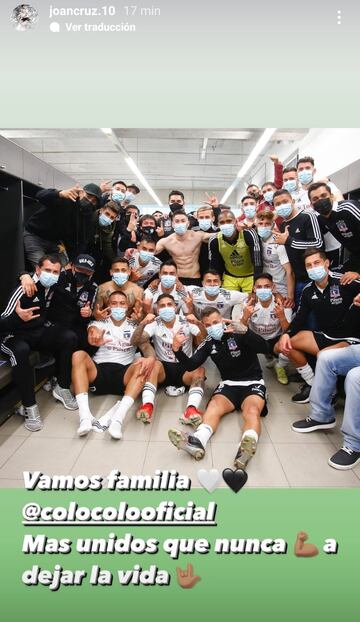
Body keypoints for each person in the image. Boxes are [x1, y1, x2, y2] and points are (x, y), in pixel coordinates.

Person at [167, 307, 269, 469]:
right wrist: (177, 349)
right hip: (228, 384)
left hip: (252, 382)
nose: (212, 327)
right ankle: (197, 441)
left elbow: (266, 348)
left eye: (215, 322)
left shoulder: (239, 333)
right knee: (213, 407)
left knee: (251, 411)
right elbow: (191, 364)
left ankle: (245, 448)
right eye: (207, 325)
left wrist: (247, 331)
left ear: (223, 320)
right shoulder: (208, 342)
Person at [0, 255, 78, 431]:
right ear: (37, 270)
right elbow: (3, 321)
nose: (51, 274)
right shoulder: (23, 288)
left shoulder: (51, 286)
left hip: (37, 332)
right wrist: (16, 317)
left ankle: (62, 387)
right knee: (21, 350)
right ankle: (29, 407)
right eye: (47, 270)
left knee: (69, 337)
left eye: (55, 272)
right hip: (13, 335)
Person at [275, 249, 360, 404]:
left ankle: (327, 394)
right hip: (327, 335)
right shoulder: (308, 290)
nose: (313, 268)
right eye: (309, 265)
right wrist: (286, 333)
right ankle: (314, 384)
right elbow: (299, 318)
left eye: (317, 263)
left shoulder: (344, 281)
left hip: (350, 339)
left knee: (324, 356)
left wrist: (358, 275)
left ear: (326, 263)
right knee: (287, 343)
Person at [71, 290, 150, 439]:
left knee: (142, 364)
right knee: (78, 355)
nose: (118, 307)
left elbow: (146, 346)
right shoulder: (98, 323)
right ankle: (85, 417)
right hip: (99, 372)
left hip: (123, 374)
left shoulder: (135, 326)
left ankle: (118, 420)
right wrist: (93, 337)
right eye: (114, 303)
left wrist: (149, 358)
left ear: (127, 306)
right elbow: (92, 332)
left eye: (122, 303)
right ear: (108, 306)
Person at [130, 294, 206, 426]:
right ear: (157, 309)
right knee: (153, 364)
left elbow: (205, 339)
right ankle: (147, 406)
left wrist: (199, 323)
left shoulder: (185, 320)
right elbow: (135, 341)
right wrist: (142, 323)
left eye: (169, 304)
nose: (166, 308)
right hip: (163, 369)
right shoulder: (155, 322)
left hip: (184, 367)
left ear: (175, 307)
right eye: (162, 306)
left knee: (199, 370)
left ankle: (191, 409)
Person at [20, 254, 98, 352]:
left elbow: (89, 312)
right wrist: (24, 275)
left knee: (92, 341)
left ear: (93, 273)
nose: (83, 273)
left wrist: (88, 313)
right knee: (69, 337)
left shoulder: (93, 287)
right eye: (80, 269)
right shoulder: (61, 276)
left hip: (75, 325)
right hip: (52, 323)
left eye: (88, 271)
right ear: (72, 266)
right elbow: (39, 275)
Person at [24, 183, 102, 267]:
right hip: (35, 236)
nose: (90, 201)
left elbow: (83, 241)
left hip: (56, 242)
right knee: (42, 268)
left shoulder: (88, 215)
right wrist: (59, 193)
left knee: (65, 270)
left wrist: (72, 260)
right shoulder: (66, 198)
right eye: (88, 196)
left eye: (94, 201)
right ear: (81, 192)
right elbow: (40, 195)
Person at [237, 273, 292, 385]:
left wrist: (281, 316)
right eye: (259, 287)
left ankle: (279, 366)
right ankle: (246, 369)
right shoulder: (248, 303)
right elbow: (239, 330)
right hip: (255, 339)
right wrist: (245, 316)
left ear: (273, 287)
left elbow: (289, 331)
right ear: (254, 288)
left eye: (267, 286)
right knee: (237, 342)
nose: (263, 290)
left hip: (275, 339)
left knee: (292, 343)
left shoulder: (282, 303)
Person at [272, 189, 323, 306]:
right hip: (297, 280)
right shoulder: (283, 225)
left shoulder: (307, 216)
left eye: (285, 201)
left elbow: (318, 244)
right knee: (300, 316)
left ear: (292, 201)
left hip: (314, 277)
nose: (282, 206)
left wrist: (288, 241)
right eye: (278, 204)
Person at [308, 182, 360, 277]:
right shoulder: (321, 218)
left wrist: (358, 273)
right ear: (311, 205)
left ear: (331, 196)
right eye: (315, 199)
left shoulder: (348, 208)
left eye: (323, 195)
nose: (320, 200)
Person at [209, 209, 262, 293]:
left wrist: (257, 284)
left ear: (236, 221)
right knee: (226, 303)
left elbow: (257, 261)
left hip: (251, 276)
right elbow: (215, 265)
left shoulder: (248, 234)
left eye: (229, 221)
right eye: (222, 222)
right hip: (230, 277)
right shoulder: (214, 240)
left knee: (251, 303)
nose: (226, 224)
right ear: (218, 224)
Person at [155, 211, 213, 286]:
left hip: (195, 278)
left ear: (188, 223)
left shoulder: (197, 236)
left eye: (183, 221)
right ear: (172, 224)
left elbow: (217, 235)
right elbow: (151, 252)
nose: (180, 223)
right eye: (177, 221)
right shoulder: (166, 241)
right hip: (176, 280)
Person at [255, 210, 295, 301]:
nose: (263, 226)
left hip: (280, 287)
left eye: (267, 224)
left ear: (273, 225)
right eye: (260, 223)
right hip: (263, 288)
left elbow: (289, 271)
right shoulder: (255, 240)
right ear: (256, 224)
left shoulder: (278, 242)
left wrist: (290, 297)